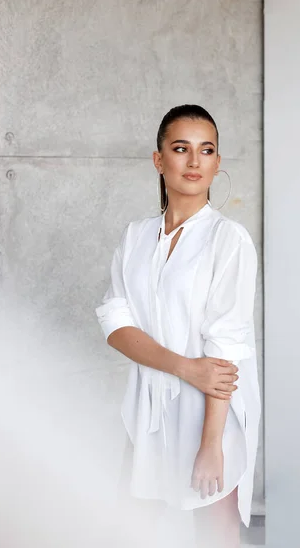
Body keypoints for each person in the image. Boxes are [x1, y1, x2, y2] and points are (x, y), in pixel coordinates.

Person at [95, 104, 261, 548]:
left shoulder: (229, 240)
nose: (193, 162)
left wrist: (212, 445)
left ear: (217, 162)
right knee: (132, 528)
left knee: (214, 533)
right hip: (148, 408)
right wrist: (186, 367)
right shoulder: (136, 236)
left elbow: (223, 353)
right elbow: (115, 323)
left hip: (212, 414)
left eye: (205, 150)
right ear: (158, 159)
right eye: (180, 148)